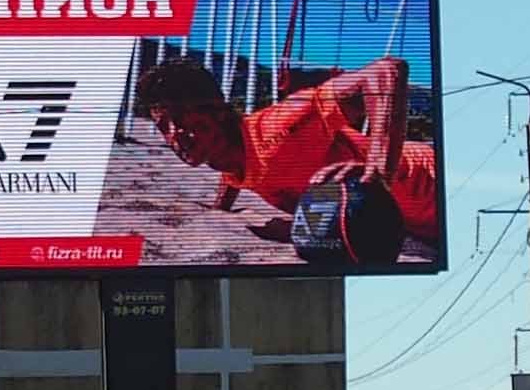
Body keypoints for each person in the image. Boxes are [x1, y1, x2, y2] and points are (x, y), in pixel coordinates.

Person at [132, 52, 442, 262]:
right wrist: (219, 207)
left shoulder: (278, 127)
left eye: (183, 119)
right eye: (163, 126)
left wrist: (377, 174)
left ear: (219, 113)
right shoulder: (224, 156)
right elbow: (234, 175)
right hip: (416, 229)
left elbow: (387, 70)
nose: (175, 135)